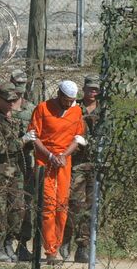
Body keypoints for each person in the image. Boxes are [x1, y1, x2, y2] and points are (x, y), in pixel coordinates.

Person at [28, 80, 86, 264]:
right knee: (48, 206)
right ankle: (50, 251)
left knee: (62, 206)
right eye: (67, 100)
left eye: (72, 100)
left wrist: (63, 155)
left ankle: (58, 244)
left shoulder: (76, 111)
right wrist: (50, 155)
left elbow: (78, 138)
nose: (69, 104)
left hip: (63, 162)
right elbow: (33, 136)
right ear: (59, 94)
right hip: (45, 161)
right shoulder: (43, 108)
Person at [0, 82, 37, 262]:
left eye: (14, 100)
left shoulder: (15, 118)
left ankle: (10, 242)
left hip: (16, 172)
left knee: (17, 209)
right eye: (7, 100)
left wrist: (32, 141)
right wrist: (22, 141)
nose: (11, 104)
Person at [60, 75, 100, 263]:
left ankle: (83, 247)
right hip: (77, 162)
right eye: (90, 88)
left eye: (96, 89)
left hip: (96, 164)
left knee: (91, 207)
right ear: (84, 89)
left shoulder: (104, 109)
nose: (93, 92)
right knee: (75, 204)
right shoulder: (74, 107)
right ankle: (65, 238)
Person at [10, 69, 36, 261]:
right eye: (16, 84)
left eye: (22, 85)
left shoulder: (31, 109)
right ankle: (4, 243)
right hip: (6, 162)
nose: (19, 89)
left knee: (26, 204)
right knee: (6, 203)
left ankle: (22, 244)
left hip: (26, 161)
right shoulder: (2, 107)